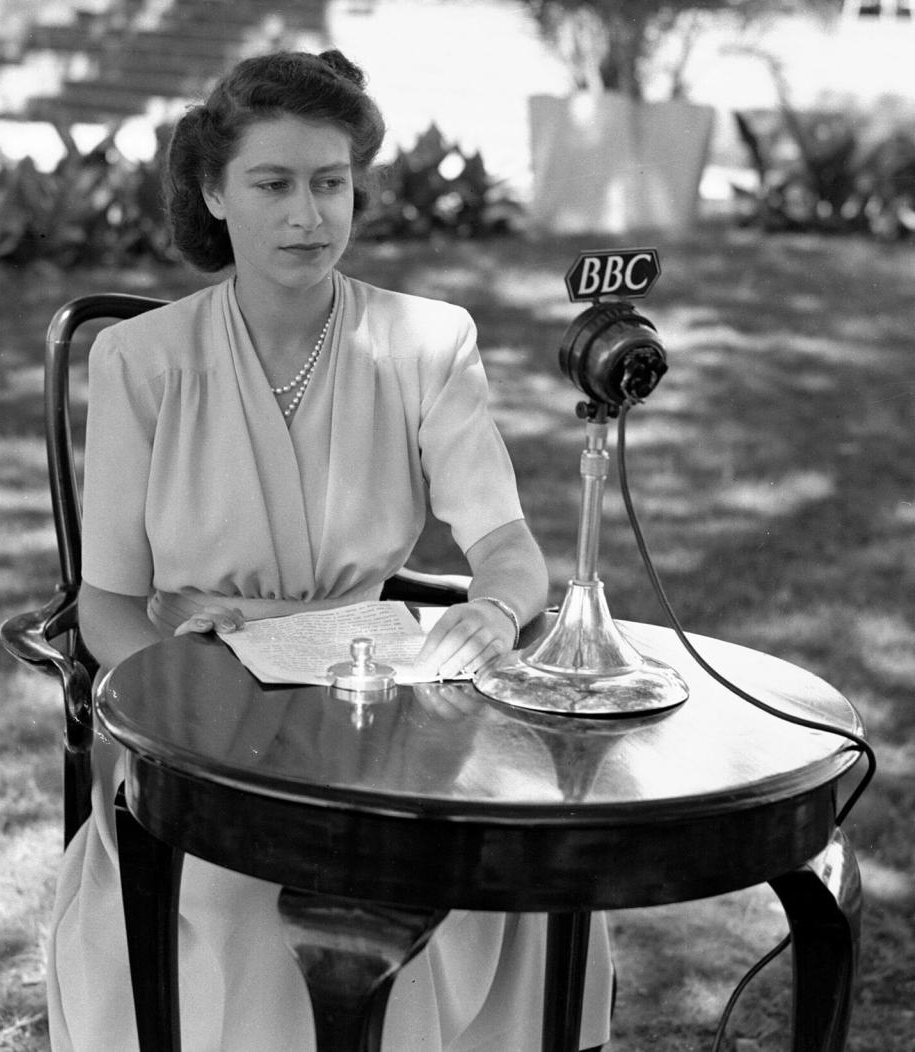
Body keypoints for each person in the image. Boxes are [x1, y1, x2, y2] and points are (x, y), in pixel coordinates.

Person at [47, 49, 614, 1051]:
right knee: (238, 903)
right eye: (273, 184)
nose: (309, 215)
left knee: (508, 871)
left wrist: (489, 611)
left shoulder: (428, 341)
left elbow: (510, 547)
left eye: (330, 182)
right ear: (216, 191)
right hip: (197, 707)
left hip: (378, 697)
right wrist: (179, 704)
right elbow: (106, 605)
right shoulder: (139, 359)